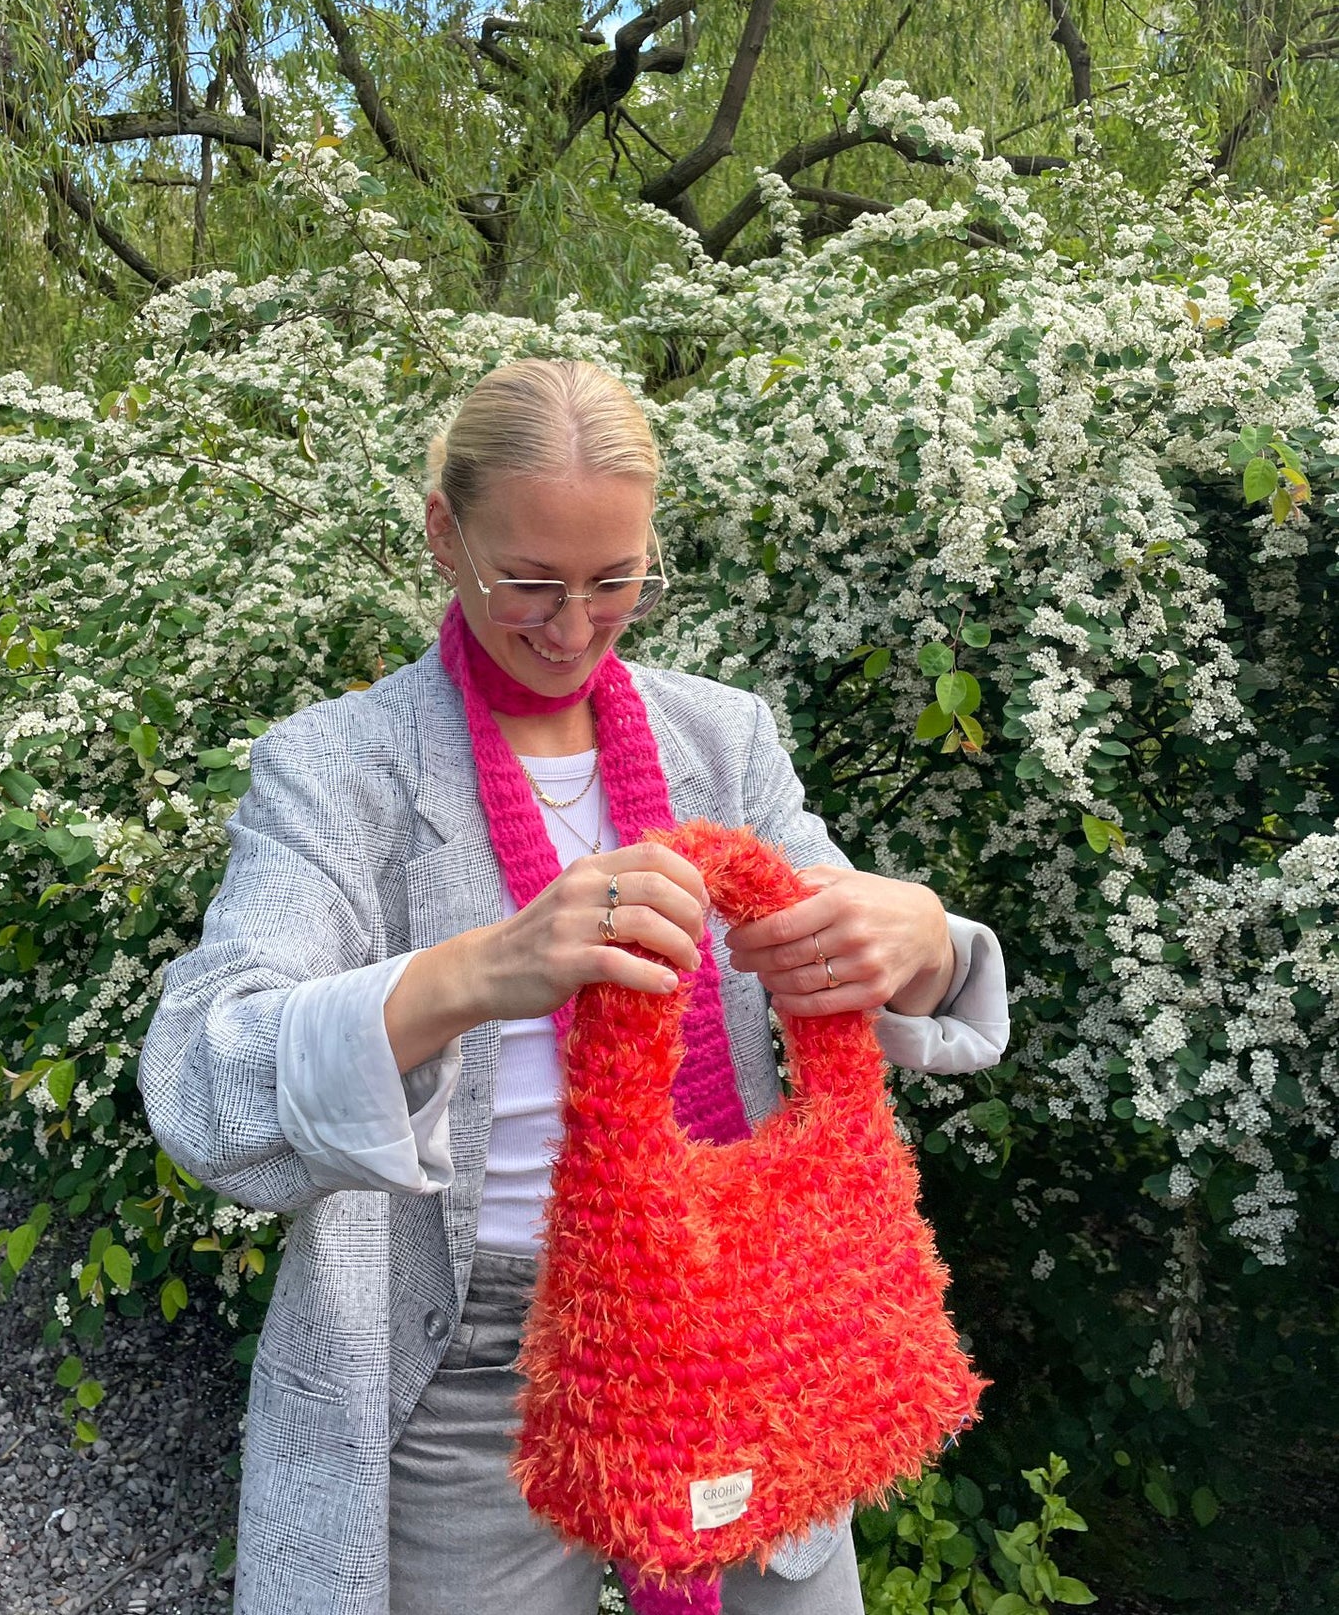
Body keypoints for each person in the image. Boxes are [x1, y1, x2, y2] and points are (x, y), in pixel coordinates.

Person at [137, 357, 1009, 1615]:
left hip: (738, 1321)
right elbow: (203, 1077)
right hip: (469, 1365)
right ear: (443, 532)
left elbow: (850, 959)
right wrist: (482, 969)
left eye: (616, 582)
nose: (571, 625)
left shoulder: (724, 738)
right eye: (530, 582)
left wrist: (919, 938)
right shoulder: (332, 772)